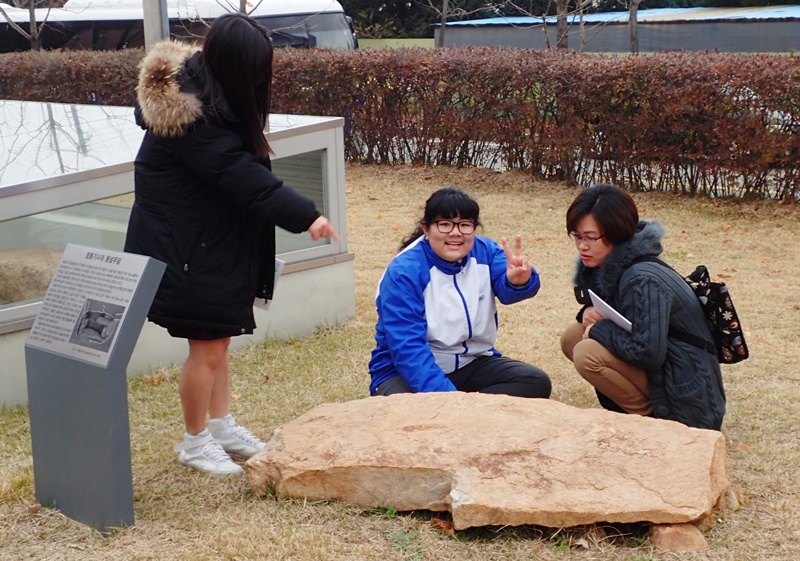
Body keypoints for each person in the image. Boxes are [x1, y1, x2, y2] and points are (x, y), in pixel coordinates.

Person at [124, 14, 339, 477]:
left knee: (217, 341)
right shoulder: (191, 117)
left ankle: (220, 426)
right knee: (206, 349)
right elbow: (243, 178)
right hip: (187, 249)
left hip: (206, 241)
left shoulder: (204, 92)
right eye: (260, 70)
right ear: (238, 66)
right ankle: (194, 440)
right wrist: (308, 217)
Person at [560, 183, 725, 430]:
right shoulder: (613, 263)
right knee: (573, 337)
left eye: (590, 237)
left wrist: (597, 330)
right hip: (669, 362)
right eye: (577, 236)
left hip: (691, 392)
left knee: (587, 353)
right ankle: (641, 413)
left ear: (615, 232)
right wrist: (587, 314)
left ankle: (653, 423)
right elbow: (623, 316)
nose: (582, 246)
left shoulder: (642, 278)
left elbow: (647, 351)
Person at [368, 187, 552, 399]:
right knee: (411, 411)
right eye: (444, 224)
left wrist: (519, 282)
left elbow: (508, 289)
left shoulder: (485, 251)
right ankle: (467, 411)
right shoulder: (404, 272)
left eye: (465, 225)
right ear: (426, 229)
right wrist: (451, 401)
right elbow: (408, 349)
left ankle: (469, 414)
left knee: (534, 382)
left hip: (471, 362)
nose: (455, 233)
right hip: (405, 371)